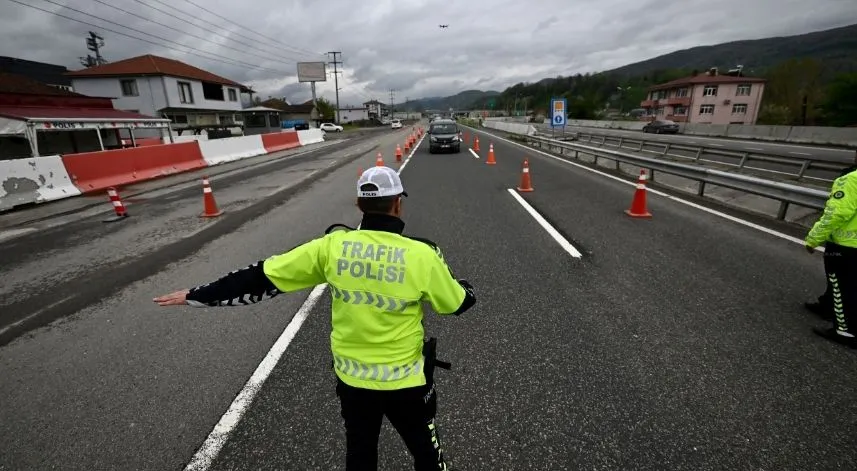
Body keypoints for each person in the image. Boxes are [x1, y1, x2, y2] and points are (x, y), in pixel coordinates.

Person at [153, 166, 476, 470]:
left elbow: (262, 275)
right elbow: (456, 304)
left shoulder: (332, 246)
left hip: (353, 380)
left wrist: (198, 294)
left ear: (359, 204)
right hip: (406, 380)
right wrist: (465, 287)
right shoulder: (421, 254)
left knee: (360, 453)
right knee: (425, 453)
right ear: (397, 204)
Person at [804, 159, 857, 348]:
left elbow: (835, 213)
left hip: (846, 245)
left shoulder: (851, 179)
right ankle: (828, 306)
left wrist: (813, 238)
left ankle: (845, 330)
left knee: (841, 283)